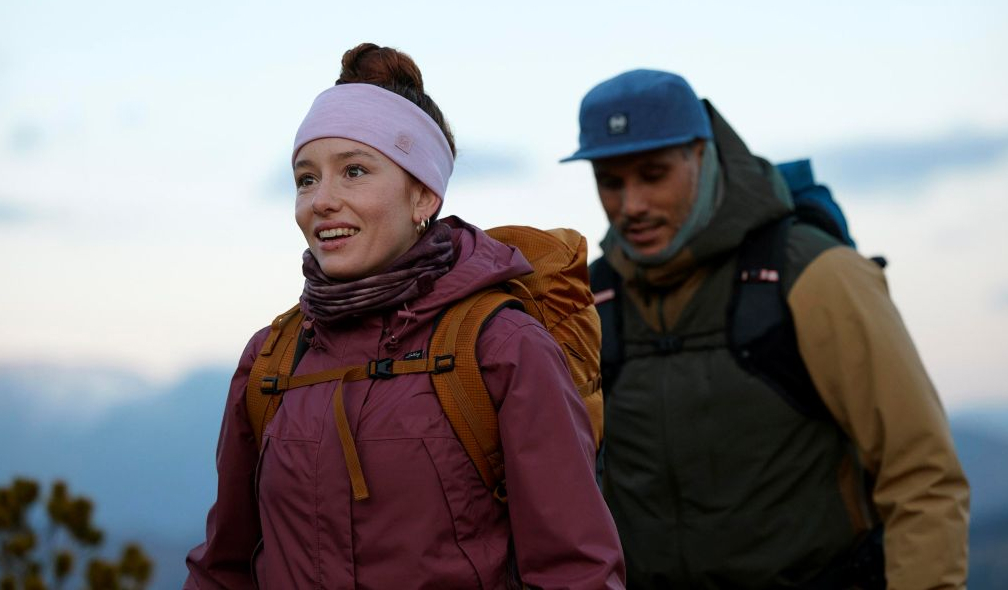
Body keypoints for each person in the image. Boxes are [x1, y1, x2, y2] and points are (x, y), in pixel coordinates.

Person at [185, 43, 626, 589]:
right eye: (306, 178)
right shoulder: (271, 359)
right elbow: (223, 569)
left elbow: (575, 572)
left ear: (423, 195)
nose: (320, 200)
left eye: (353, 171)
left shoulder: (502, 346)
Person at [560, 69, 969, 589]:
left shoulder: (816, 275)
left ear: (702, 155)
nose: (631, 205)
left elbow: (922, 477)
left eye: (654, 174)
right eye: (610, 182)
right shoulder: (588, 301)